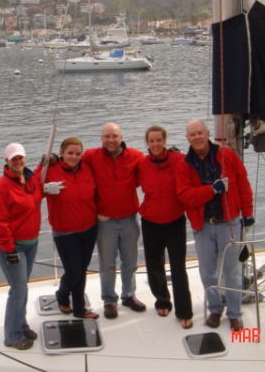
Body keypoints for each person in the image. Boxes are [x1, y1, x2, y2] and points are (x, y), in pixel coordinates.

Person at [176, 119, 254, 331]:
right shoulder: (185, 165)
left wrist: (247, 213)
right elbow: (185, 197)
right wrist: (212, 190)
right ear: (187, 138)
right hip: (203, 226)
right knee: (207, 273)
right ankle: (215, 309)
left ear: (207, 133)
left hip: (229, 223)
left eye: (200, 133)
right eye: (193, 135)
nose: (197, 137)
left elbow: (243, 183)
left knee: (232, 272)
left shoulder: (226, 155)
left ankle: (235, 314)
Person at [81, 122, 146, 319]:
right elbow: (70, 162)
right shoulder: (91, 156)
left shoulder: (135, 156)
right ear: (101, 138)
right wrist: (52, 160)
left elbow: (153, 168)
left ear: (121, 137)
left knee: (130, 262)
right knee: (107, 264)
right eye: (107, 136)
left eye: (114, 136)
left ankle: (128, 295)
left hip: (129, 219)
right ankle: (109, 300)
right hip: (105, 221)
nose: (111, 140)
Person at [0, 142, 43, 350]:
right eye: (14, 159)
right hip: (12, 246)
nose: (18, 161)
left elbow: (38, 184)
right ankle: (12, 336)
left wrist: (46, 163)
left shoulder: (29, 180)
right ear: (7, 161)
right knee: (18, 289)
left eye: (21, 157)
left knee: (23, 287)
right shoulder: (0, 188)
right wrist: (9, 249)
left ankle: (21, 323)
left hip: (31, 243)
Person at [37, 137, 99, 319]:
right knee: (73, 271)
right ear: (62, 153)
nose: (74, 157)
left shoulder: (87, 168)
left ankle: (79, 309)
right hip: (65, 231)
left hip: (89, 228)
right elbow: (32, 188)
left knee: (82, 269)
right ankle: (62, 295)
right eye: (70, 153)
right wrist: (46, 187)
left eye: (77, 153)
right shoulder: (51, 170)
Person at [138, 125, 193, 329]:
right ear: (147, 143)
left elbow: (196, 163)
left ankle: (184, 311)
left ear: (165, 140)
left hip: (175, 221)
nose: (155, 144)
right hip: (151, 222)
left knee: (178, 267)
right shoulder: (142, 164)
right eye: (151, 141)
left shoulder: (179, 160)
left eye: (159, 140)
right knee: (154, 265)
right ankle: (162, 300)